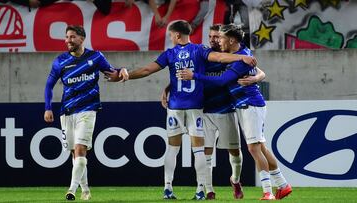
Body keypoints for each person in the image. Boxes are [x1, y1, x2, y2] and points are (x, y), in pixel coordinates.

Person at [104, 20, 256, 200]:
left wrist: (126, 75)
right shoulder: (201, 50)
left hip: (178, 107)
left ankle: (168, 188)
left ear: (176, 35)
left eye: (170, 35)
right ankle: (202, 190)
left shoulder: (170, 54)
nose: (170, 38)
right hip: (197, 107)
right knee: (199, 150)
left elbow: (146, 70)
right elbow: (220, 58)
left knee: (173, 148)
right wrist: (242, 57)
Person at [178, 24, 292, 200]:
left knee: (253, 148)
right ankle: (282, 185)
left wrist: (195, 76)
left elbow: (222, 80)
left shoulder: (241, 59)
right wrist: (258, 76)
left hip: (249, 105)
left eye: (220, 37)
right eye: (213, 37)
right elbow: (255, 68)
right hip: (244, 106)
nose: (217, 40)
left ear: (231, 40)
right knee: (260, 146)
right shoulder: (240, 55)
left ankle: (268, 191)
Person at [160, 24, 265, 200]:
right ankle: (208, 190)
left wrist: (257, 77)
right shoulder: (204, 55)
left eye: (216, 36)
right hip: (206, 110)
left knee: (235, 153)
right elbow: (183, 73)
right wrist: (168, 87)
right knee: (205, 152)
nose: (213, 40)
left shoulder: (230, 56)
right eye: (210, 36)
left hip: (227, 110)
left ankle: (235, 180)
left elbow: (258, 70)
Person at [43, 25, 126, 201]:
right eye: (66, 37)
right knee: (74, 153)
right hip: (67, 111)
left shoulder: (95, 57)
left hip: (88, 110)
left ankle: (71, 190)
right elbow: (49, 85)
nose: (68, 41)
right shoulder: (60, 61)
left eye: (72, 37)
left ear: (82, 38)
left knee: (81, 150)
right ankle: (85, 189)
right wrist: (48, 107)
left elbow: (112, 72)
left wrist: (123, 71)